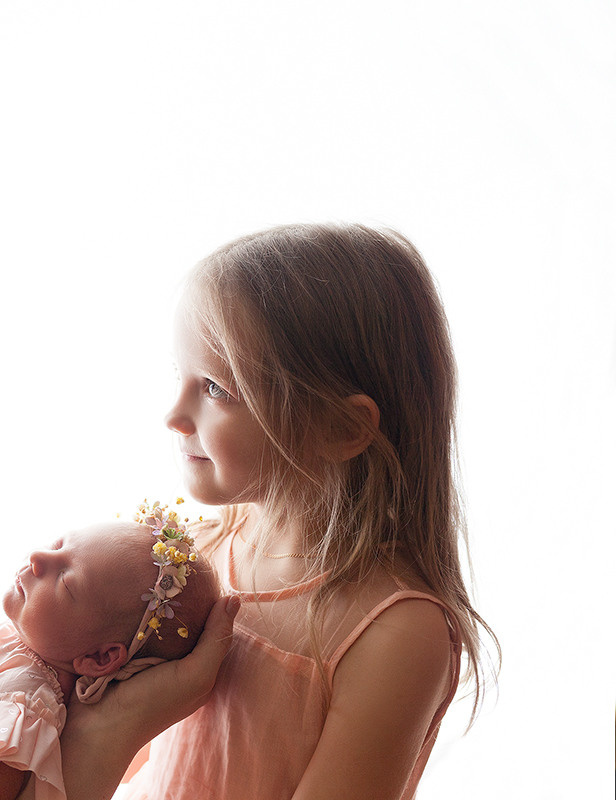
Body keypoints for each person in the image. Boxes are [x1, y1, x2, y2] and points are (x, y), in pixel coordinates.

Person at [60, 223, 498, 800]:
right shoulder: (192, 557)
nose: (174, 414)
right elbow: (93, 747)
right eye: (180, 377)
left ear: (341, 428)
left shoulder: (393, 632)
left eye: (216, 388)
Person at [0, 503, 227, 800]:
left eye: (66, 580)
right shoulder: (23, 640)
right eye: (57, 544)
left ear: (100, 658)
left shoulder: (23, 701)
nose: (37, 557)